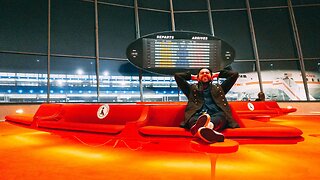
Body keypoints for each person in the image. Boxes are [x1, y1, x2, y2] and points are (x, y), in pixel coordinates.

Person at [174, 67, 240, 143]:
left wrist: (218, 74)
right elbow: (177, 76)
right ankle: (208, 132)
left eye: (207, 73)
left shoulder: (219, 88)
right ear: (197, 77)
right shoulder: (191, 89)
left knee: (221, 117)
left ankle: (206, 129)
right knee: (193, 120)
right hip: (197, 115)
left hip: (216, 115)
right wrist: (191, 77)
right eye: (202, 73)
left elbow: (235, 75)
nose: (205, 74)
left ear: (211, 77)